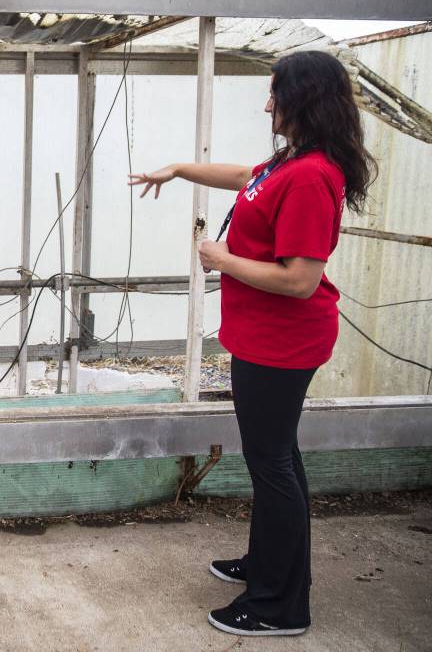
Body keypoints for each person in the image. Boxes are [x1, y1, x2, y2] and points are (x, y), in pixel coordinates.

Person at [128, 50, 376, 637]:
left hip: (282, 343)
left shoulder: (314, 177)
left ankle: (280, 605)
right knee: (276, 459)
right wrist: (180, 170)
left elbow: (300, 279)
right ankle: (268, 566)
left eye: (275, 94)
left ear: (304, 99)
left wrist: (223, 260)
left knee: (273, 465)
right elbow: (248, 179)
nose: (267, 104)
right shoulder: (292, 162)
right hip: (263, 339)